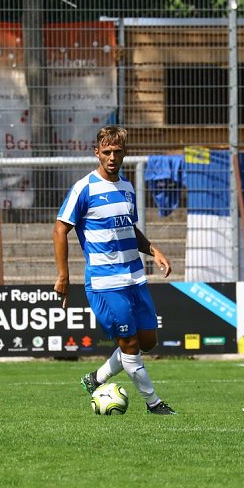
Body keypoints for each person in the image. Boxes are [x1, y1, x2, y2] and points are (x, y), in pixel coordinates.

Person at [53, 125, 176, 415]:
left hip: (134, 277)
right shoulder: (84, 188)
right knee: (130, 343)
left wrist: (153, 249)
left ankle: (95, 379)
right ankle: (154, 404)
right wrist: (63, 275)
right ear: (96, 152)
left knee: (147, 341)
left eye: (117, 152)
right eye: (106, 152)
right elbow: (60, 230)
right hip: (105, 282)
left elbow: (129, 228)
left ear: (124, 153)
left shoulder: (127, 188)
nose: (111, 157)